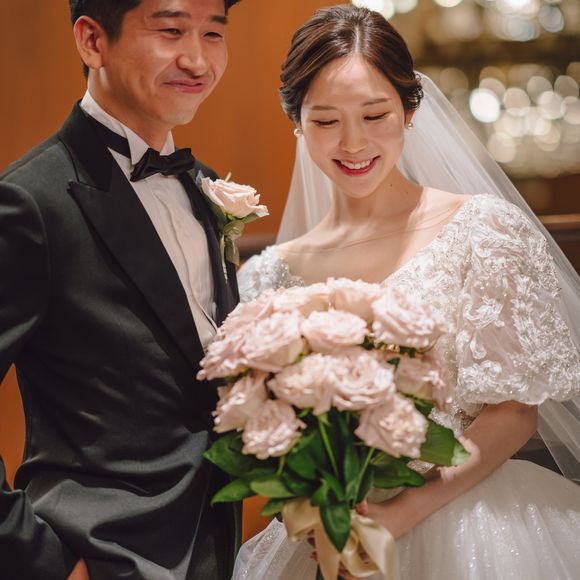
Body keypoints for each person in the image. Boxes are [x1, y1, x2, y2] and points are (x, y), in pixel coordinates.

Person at [235, 4, 580, 579]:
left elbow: (515, 412)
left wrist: (405, 512)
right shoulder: (270, 276)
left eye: (375, 115)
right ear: (297, 121)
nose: (353, 143)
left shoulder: (483, 231)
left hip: (473, 520)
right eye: (326, 121)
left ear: (409, 109)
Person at [0, 1, 242, 578]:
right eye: (171, 30)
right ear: (92, 41)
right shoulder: (30, 202)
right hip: (103, 552)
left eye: (213, 33)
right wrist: (43, 562)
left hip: (219, 550)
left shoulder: (207, 186)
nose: (198, 59)